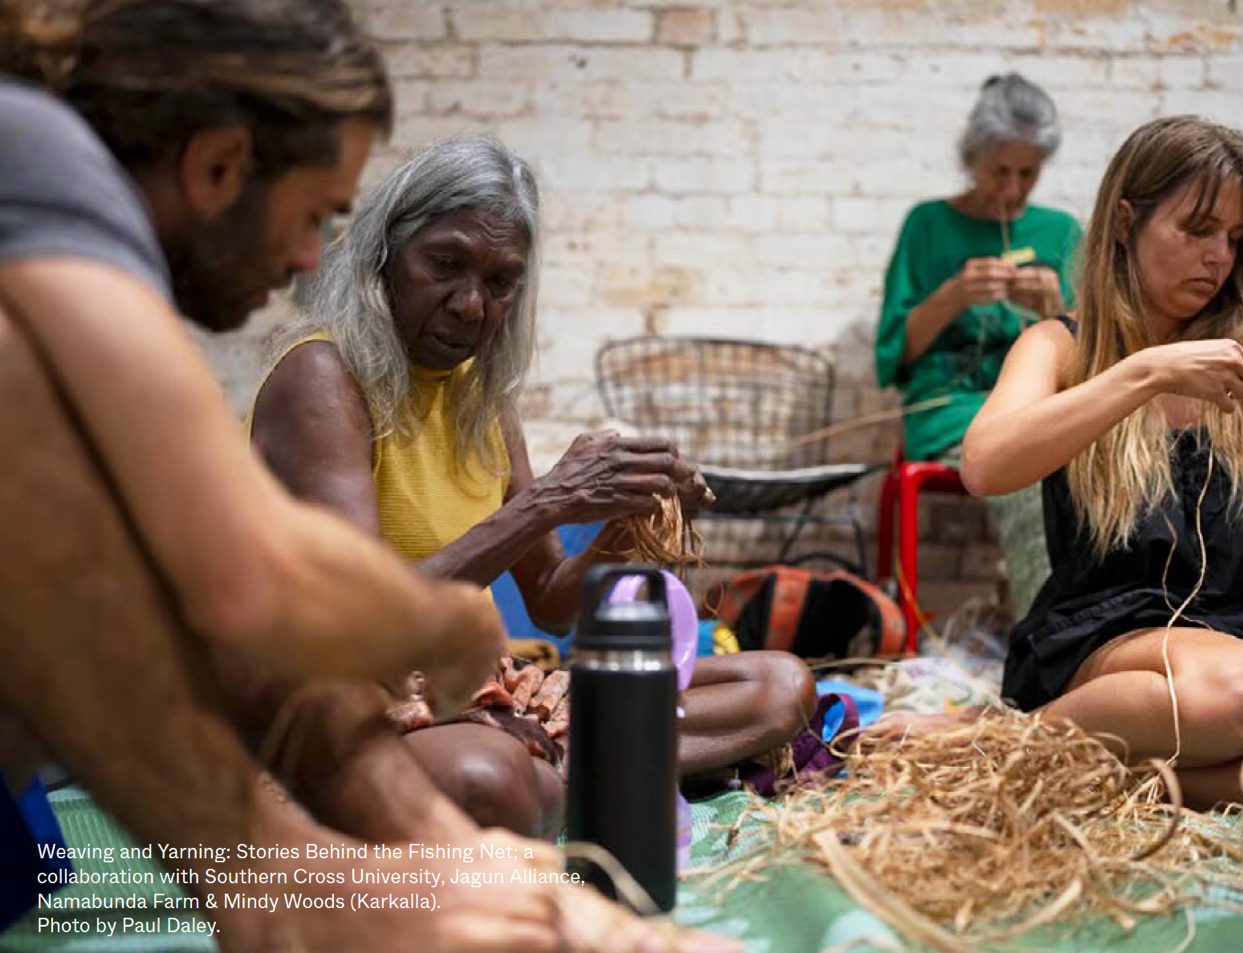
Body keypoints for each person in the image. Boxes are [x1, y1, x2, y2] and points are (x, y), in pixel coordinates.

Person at [0, 3, 738, 953]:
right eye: (315, 213)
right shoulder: (41, 160)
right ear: (219, 164)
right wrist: (452, 627)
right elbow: (251, 582)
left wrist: (381, 865)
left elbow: (166, 622)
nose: (312, 257)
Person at [249, 137, 819, 838]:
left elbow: (550, 598)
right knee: (489, 780)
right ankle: (555, 775)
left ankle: (546, 773)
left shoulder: (480, 397)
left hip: (471, 690)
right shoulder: (322, 378)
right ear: (383, 255)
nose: (468, 305)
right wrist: (549, 500)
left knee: (776, 690)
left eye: (499, 281)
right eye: (446, 264)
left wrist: (630, 516)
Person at [958, 115, 1243, 809]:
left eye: (1235, 239)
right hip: (1115, 633)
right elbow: (984, 466)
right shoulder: (1060, 348)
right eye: (1196, 229)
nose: (1218, 257)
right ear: (1125, 221)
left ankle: (1085, 780)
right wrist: (1145, 373)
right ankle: (1000, 748)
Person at [874, 73, 1083, 620]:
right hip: (950, 412)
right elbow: (893, 358)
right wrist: (951, 296)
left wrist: (1053, 310)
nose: (1012, 189)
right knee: (1030, 476)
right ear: (972, 157)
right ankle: (1050, 640)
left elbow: (1093, 358)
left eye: (1027, 174)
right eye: (999, 171)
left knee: (1099, 470)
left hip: (1037, 403)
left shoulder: (1061, 232)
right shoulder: (928, 225)